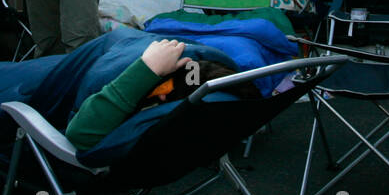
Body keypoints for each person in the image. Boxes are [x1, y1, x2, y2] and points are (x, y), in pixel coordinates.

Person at [65, 39, 251, 149]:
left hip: (70, 72)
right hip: (118, 49)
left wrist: (147, 69)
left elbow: (79, 134)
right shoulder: (221, 78)